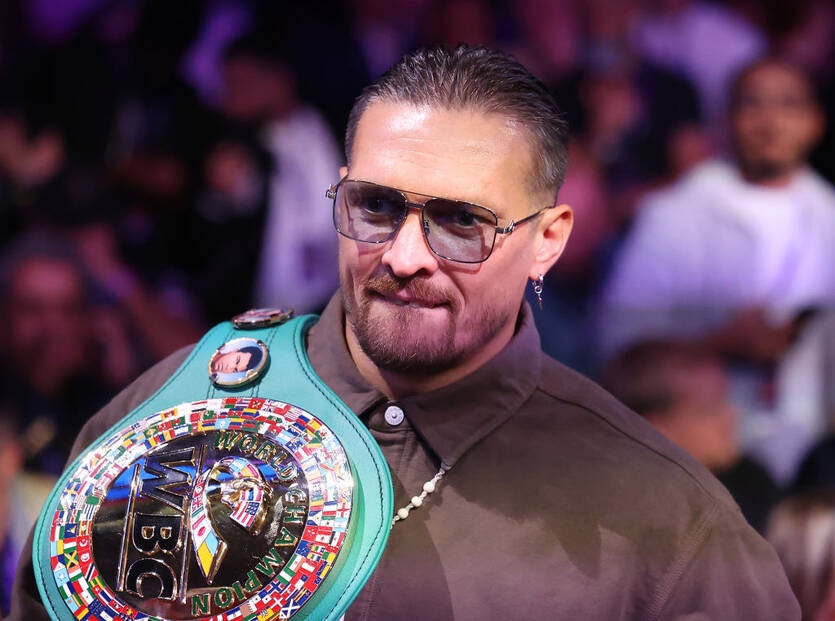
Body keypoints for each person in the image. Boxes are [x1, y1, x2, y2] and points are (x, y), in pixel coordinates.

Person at [10, 45, 799, 620]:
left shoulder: (668, 522)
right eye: (377, 207)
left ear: (548, 239)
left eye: (461, 221)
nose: (405, 256)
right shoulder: (175, 407)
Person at [597, 57, 835, 485]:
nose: (770, 121)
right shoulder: (674, 214)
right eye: (753, 103)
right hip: (699, 459)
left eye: (788, 104)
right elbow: (615, 349)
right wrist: (721, 342)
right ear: (726, 119)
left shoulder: (828, 218)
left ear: (815, 122)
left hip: (811, 454)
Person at [602, 340, 782, 534]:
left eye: (725, 399)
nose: (730, 417)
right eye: (709, 409)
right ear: (655, 429)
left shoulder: (751, 482)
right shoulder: (622, 525)